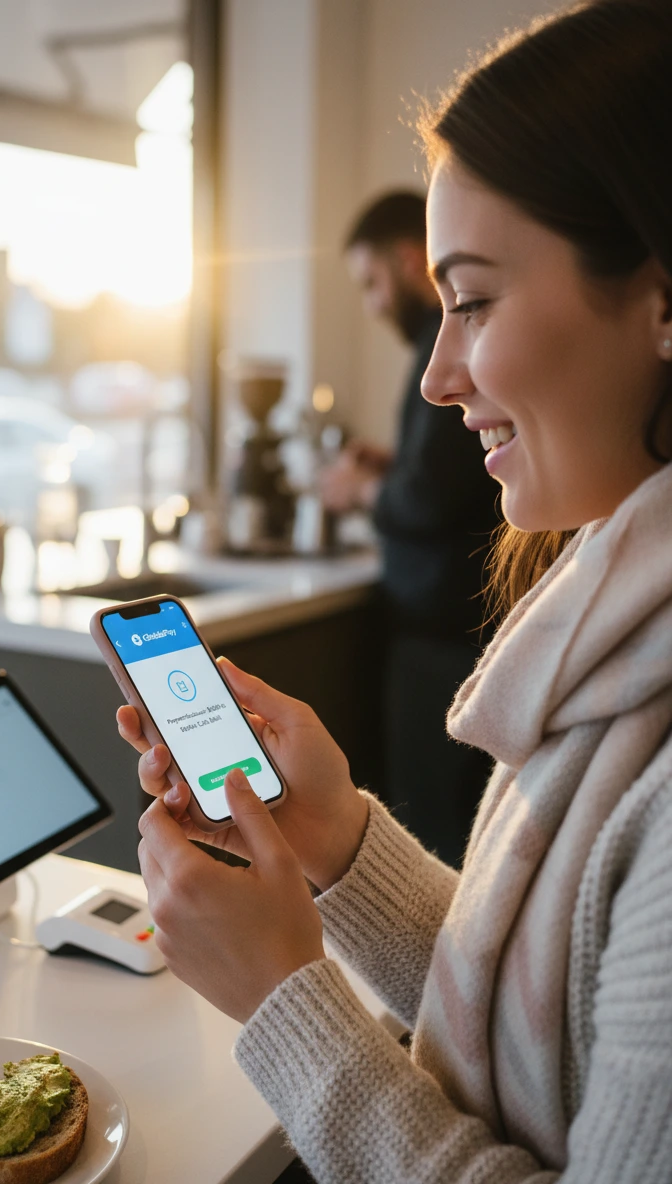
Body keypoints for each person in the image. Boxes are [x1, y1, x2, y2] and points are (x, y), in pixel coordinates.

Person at [118, 1, 672, 1180]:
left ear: (663, 300)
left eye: (470, 300)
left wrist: (284, 996)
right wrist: (344, 842)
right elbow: (555, 1024)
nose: (434, 375)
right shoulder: (624, 624)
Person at [322, 190, 500, 867]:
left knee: (433, 830)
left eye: (370, 282)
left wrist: (361, 488)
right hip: (452, 626)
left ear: (405, 258)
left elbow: (432, 496)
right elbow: (457, 473)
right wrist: (396, 462)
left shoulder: (439, 345)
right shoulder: (445, 350)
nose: (371, 304)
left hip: (444, 635)